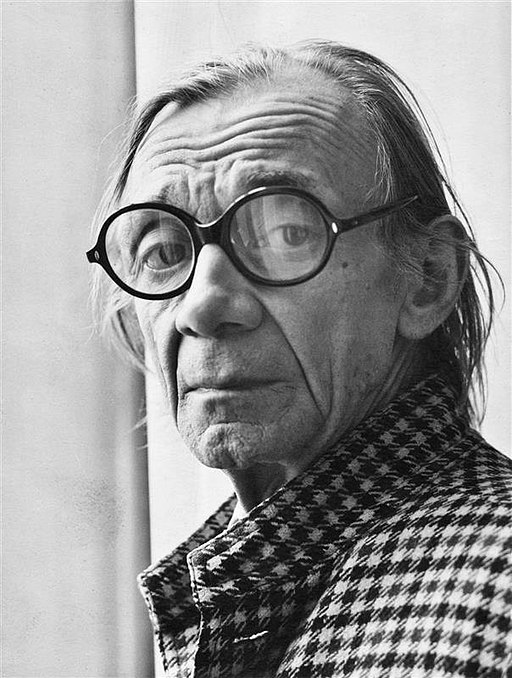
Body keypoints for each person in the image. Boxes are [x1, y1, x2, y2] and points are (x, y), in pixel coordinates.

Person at [87, 41, 511, 677]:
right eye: (164, 252)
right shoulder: (230, 585)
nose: (203, 305)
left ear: (426, 279)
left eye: (287, 233)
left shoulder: (494, 587)